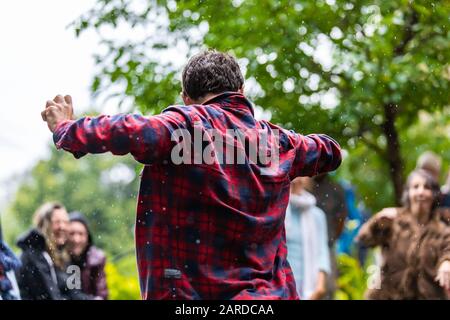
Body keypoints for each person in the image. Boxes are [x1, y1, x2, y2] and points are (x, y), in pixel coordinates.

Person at [41, 50, 342, 300]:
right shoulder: (278, 143)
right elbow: (330, 151)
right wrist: (281, 143)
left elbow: (124, 129)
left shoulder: (181, 127)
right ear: (241, 92)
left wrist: (67, 129)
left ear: (186, 97)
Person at [356, 169, 450, 299]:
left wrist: (447, 262)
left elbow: (448, 249)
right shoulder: (393, 220)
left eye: (426, 187)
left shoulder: (441, 230)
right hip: (389, 295)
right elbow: (364, 239)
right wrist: (377, 221)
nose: (421, 192)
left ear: (434, 194)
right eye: (415, 187)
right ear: (408, 193)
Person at [16, 202, 91, 300]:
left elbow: (74, 293)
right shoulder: (33, 255)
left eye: (65, 222)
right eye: (56, 222)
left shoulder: (64, 255)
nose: (62, 227)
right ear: (44, 224)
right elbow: (49, 296)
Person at [285, 177, 330, 300]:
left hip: (308, 289)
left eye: (302, 174)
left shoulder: (317, 216)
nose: (297, 179)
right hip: (280, 285)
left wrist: (320, 287)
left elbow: (322, 252)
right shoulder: (277, 210)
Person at [308, 173, 348, 299]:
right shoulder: (303, 184)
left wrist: (330, 239)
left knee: (328, 288)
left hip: (327, 245)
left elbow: (341, 219)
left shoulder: (336, 189)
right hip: (303, 245)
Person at [68, 212, 108, 300]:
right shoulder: (57, 259)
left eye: (81, 234)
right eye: (72, 233)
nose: (76, 239)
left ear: (87, 237)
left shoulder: (96, 260)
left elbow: (101, 294)